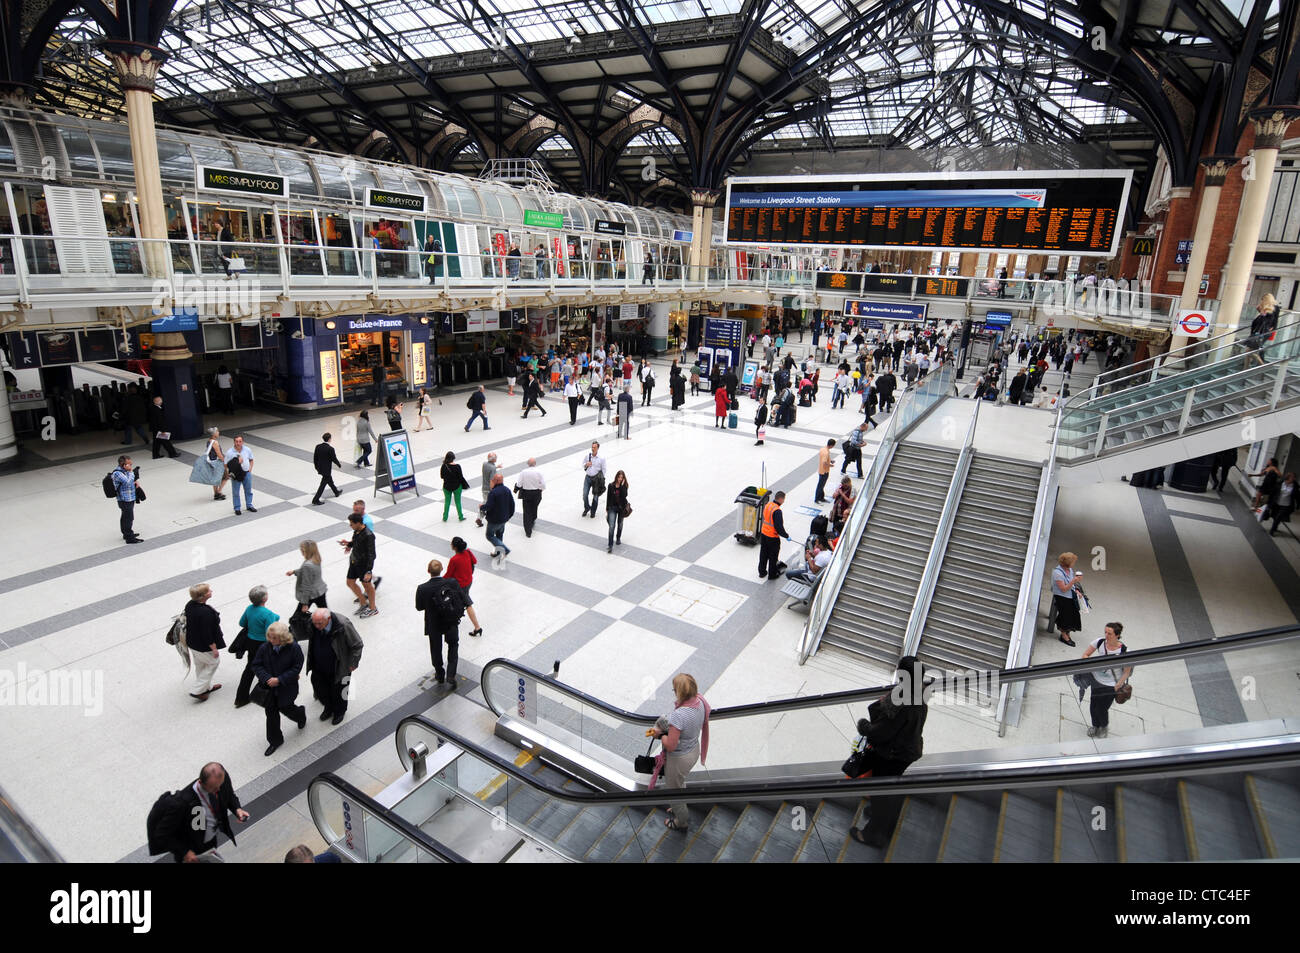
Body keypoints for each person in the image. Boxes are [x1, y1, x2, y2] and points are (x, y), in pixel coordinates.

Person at [849, 656, 929, 848]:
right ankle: (881, 816)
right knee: (889, 786)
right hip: (907, 751)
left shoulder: (902, 702)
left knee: (881, 790)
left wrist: (864, 727)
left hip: (892, 754)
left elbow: (882, 732)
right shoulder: (919, 692)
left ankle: (873, 835)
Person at [150, 763, 249, 862]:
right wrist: (184, 851)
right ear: (201, 783)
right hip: (191, 851)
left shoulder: (220, 780)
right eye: (214, 788)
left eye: (219, 785)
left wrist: (237, 809)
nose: (218, 789)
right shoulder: (182, 803)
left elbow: (228, 795)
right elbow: (162, 834)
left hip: (209, 843)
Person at [654, 673, 710, 832]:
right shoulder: (700, 702)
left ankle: (681, 821)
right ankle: (679, 806)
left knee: (673, 791)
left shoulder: (679, 715)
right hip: (694, 750)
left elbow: (671, 745)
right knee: (679, 782)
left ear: (679, 692)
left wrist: (661, 735)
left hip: (679, 759)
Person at [252, 621, 306, 756]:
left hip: (286, 688)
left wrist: (280, 680)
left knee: (287, 708)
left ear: (283, 637)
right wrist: (266, 678)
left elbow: (297, 667)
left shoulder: (294, 648)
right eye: (269, 637)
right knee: (271, 715)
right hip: (269, 690)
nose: (270, 640)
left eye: (274, 637)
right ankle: (275, 741)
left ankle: (300, 715)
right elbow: (256, 665)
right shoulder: (265, 648)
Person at [305, 608, 363, 725]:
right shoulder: (314, 623)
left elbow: (357, 644)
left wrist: (353, 663)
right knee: (321, 690)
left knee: (340, 692)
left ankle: (339, 712)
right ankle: (328, 707)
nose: (316, 626)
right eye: (314, 623)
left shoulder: (343, 625)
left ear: (329, 619)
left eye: (319, 623)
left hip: (340, 667)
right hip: (319, 666)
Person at [416, 559, 467, 687]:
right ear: (442, 569)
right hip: (450, 621)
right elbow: (461, 598)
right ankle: (451, 674)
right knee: (453, 645)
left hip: (433, 624)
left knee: (435, 648)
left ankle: (439, 673)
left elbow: (419, 607)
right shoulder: (452, 583)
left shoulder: (422, 588)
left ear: (428, 571)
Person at [1080, 623, 1132, 739]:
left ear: (1117, 635)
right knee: (1093, 705)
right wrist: (1091, 663)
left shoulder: (1125, 651)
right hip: (1096, 681)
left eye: (1110, 633)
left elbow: (1126, 672)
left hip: (1111, 685)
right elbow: (1085, 655)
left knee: (1102, 708)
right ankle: (1095, 726)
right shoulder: (1100, 642)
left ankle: (1103, 727)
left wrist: (1117, 686)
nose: (1106, 635)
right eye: (1106, 632)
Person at [234, 585, 280, 709]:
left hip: (250, 642)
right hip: (263, 644)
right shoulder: (268, 614)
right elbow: (270, 632)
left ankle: (241, 697)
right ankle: (268, 693)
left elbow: (242, 623)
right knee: (269, 666)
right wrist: (275, 618)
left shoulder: (249, 609)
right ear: (264, 598)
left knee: (250, 668)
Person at [184, 583, 225, 701]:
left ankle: (205, 687)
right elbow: (206, 633)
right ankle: (197, 690)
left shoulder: (190, 605)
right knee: (213, 662)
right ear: (202, 596)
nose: (211, 591)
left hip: (192, 641)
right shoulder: (205, 613)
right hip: (203, 645)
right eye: (208, 591)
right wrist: (213, 648)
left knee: (200, 664)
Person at [285, 539, 328, 638]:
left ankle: (290, 635)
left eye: (302, 550)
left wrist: (305, 603)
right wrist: (294, 572)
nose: (301, 551)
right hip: (320, 591)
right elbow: (307, 572)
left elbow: (306, 586)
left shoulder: (307, 565)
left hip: (310, 595)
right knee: (325, 613)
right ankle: (330, 628)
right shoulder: (316, 558)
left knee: (296, 617)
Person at [444, 536, 484, 637]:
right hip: (469, 581)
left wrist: (439, 580)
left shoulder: (454, 559)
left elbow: (448, 575)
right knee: (463, 599)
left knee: (468, 603)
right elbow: (474, 561)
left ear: (454, 547)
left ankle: (477, 627)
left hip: (460, 586)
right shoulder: (468, 552)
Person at [343, 513, 379, 617]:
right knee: (350, 582)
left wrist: (369, 570)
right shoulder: (357, 531)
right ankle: (363, 603)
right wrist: (349, 544)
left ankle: (373, 608)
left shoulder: (369, 535)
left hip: (363, 564)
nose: (350, 526)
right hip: (354, 561)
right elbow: (355, 542)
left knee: (367, 586)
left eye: (351, 524)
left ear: (358, 523)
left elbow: (372, 554)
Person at [483, 472, 515, 567]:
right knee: (499, 535)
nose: (491, 482)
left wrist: (482, 507)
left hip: (494, 520)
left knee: (489, 535)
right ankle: (498, 552)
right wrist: (508, 516)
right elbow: (512, 505)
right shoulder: (507, 490)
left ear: (496, 481)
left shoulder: (493, 493)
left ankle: (504, 549)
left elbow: (489, 506)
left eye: (492, 480)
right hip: (504, 519)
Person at [1052, 552, 1083, 647]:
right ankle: (1064, 634)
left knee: (1074, 613)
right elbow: (1063, 589)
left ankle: (1067, 630)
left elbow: (1070, 586)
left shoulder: (1069, 570)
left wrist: (1076, 590)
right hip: (1062, 596)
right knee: (1066, 614)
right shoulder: (1057, 573)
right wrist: (1073, 581)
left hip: (1069, 595)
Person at [758, 490, 791, 580]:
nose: (784, 501)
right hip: (772, 537)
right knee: (773, 556)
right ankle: (772, 575)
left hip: (764, 533)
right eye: (784, 499)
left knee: (763, 553)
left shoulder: (768, 505)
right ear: (780, 499)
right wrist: (786, 536)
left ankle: (762, 572)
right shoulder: (777, 511)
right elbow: (778, 527)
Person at [111, 454, 142, 544]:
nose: (131, 466)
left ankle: (127, 533)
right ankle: (129, 537)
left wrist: (135, 480)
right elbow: (128, 482)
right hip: (124, 499)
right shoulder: (118, 473)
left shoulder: (125, 472)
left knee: (126, 517)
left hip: (130, 498)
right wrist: (131, 472)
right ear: (123, 465)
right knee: (128, 517)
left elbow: (131, 481)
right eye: (129, 464)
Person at [224, 435, 256, 515]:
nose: (238, 443)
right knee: (236, 492)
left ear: (242, 442)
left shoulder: (247, 450)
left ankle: (249, 505)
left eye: (240, 441)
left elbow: (251, 460)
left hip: (246, 473)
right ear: (234, 442)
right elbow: (225, 464)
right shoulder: (229, 452)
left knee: (248, 490)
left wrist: (250, 469)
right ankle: (237, 508)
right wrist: (228, 473)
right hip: (236, 475)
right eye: (236, 441)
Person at [516, 457, 546, 537]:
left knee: (526, 512)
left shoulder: (523, 472)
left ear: (528, 464)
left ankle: (528, 531)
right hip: (536, 493)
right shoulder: (539, 472)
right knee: (534, 507)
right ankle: (533, 518)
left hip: (526, 493)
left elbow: (519, 484)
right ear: (535, 464)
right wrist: (540, 489)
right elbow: (543, 484)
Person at [310, 433, 342, 505]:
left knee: (329, 480)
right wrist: (338, 464)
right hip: (326, 470)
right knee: (322, 485)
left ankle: (336, 492)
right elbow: (334, 458)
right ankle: (315, 499)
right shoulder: (330, 449)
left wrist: (316, 467)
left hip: (320, 468)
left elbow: (315, 458)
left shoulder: (318, 446)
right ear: (329, 439)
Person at [440, 451, 470, 522]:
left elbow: (442, 476)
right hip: (457, 487)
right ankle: (460, 517)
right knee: (458, 502)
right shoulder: (457, 466)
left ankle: (445, 517)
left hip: (446, 487)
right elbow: (460, 477)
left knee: (447, 502)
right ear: (453, 458)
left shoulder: (444, 466)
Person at [604, 469, 629, 553]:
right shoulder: (611, 485)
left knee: (620, 524)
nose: (620, 479)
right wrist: (607, 508)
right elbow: (608, 497)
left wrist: (622, 486)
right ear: (616, 477)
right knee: (611, 526)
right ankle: (610, 545)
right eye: (619, 477)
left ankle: (618, 537)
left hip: (621, 508)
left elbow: (624, 495)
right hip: (612, 508)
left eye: (622, 477)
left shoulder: (624, 486)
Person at [202, 427, 230, 500]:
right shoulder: (215, 442)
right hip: (217, 462)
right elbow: (219, 454)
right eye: (217, 431)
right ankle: (219, 492)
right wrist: (225, 461)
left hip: (212, 462)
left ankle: (216, 493)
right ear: (214, 434)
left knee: (216, 478)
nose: (218, 432)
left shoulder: (209, 441)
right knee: (226, 476)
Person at [581, 441, 607, 518]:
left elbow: (604, 469)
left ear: (598, 448)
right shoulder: (587, 456)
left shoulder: (601, 458)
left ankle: (593, 511)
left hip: (596, 479)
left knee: (595, 497)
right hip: (588, 478)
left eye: (594, 447)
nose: (593, 449)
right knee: (585, 495)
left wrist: (601, 479)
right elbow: (583, 464)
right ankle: (587, 507)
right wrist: (586, 464)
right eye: (592, 447)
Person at [118, 382, 149, 447]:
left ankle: (128, 441)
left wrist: (121, 415)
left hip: (129, 416)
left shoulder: (127, 398)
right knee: (138, 428)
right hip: (138, 416)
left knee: (128, 429)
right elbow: (143, 407)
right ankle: (145, 438)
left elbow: (124, 408)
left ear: (129, 389)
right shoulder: (139, 397)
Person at [1267, 471, 1297, 536]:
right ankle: (1275, 527)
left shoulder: (1295, 486)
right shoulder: (1280, 483)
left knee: (1278, 517)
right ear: (1288, 478)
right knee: (1275, 517)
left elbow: (1297, 496)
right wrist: (1269, 502)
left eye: (1294, 478)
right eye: (1292, 478)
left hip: (1286, 505)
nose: (1293, 479)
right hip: (1277, 503)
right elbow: (1273, 493)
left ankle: (1272, 530)